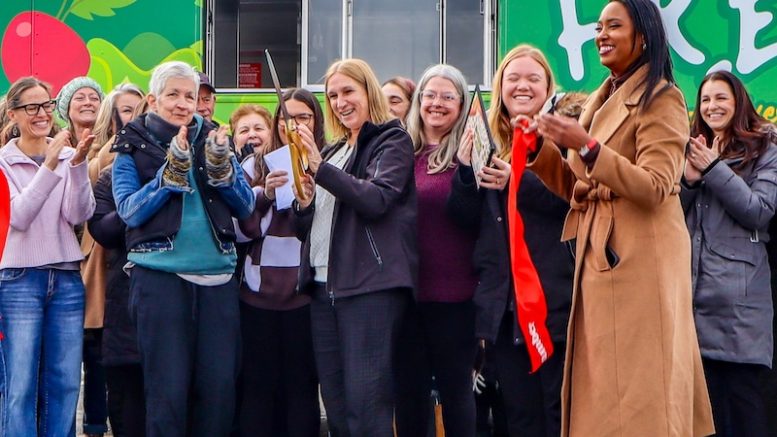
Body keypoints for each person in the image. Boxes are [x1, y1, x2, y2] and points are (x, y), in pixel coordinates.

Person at [519, 0, 715, 435]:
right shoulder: (600, 97)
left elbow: (656, 185)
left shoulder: (662, 97)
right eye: (597, 27)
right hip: (599, 257)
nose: (601, 35)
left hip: (642, 261)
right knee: (605, 391)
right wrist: (539, 151)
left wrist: (587, 146)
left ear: (642, 36)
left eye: (614, 26)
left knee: (643, 391)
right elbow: (578, 189)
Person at [111, 61, 254, 436]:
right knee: (167, 394)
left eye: (189, 96)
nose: (182, 103)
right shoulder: (132, 143)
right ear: (153, 99)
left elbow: (246, 207)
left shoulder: (214, 139)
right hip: (160, 279)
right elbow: (129, 210)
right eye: (173, 95)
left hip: (218, 280)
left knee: (220, 391)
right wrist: (170, 173)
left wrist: (223, 171)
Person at [448, 45, 574, 437]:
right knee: (518, 415)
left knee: (559, 413)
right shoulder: (487, 137)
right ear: (500, 86)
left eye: (532, 78)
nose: (522, 86)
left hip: (554, 302)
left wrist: (518, 181)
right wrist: (466, 173)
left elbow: (576, 196)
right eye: (512, 78)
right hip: (504, 308)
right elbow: (463, 219)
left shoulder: (565, 132)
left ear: (547, 86)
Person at [293, 58, 417, 437]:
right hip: (322, 288)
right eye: (332, 95)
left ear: (369, 91)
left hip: (368, 288)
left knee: (368, 406)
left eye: (348, 91)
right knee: (338, 405)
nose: (340, 102)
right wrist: (304, 200)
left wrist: (321, 170)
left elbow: (377, 200)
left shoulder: (391, 140)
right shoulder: (332, 151)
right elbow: (306, 229)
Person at [681, 70, 777, 437]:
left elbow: (758, 210)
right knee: (705, 419)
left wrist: (712, 167)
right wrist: (688, 179)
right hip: (693, 301)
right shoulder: (696, 148)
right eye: (705, 99)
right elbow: (674, 215)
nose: (711, 106)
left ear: (739, 102)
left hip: (739, 309)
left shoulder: (766, 148)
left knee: (744, 412)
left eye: (721, 98)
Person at [0, 76, 96, 436]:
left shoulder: (68, 155)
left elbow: (78, 214)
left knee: (66, 382)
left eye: (47, 105)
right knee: (19, 384)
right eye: (32, 107)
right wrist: (51, 164)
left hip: (67, 278)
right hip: (18, 280)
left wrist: (78, 166)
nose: (42, 114)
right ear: (14, 115)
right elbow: (19, 217)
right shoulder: (4, 162)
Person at [393, 64, 478, 437]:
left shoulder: (470, 153)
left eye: (447, 96)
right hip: (405, 295)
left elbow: (473, 216)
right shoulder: (400, 152)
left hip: (455, 298)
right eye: (430, 95)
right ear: (418, 101)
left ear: (461, 105)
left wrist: (465, 167)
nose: (437, 103)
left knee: (455, 394)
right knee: (409, 396)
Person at [236, 88, 324, 436]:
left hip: (305, 294)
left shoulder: (326, 162)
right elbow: (240, 231)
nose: (295, 124)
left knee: (302, 387)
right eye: (287, 118)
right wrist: (265, 195)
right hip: (257, 295)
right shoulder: (254, 165)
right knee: (258, 389)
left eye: (304, 117)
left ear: (316, 122)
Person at [56, 76, 104, 146]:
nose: (88, 102)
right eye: (80, 98)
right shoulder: (54, 142)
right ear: (67, 108)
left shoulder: (114, 141)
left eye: (94, 98)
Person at [229, 104, 273, 170]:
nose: (252, 135)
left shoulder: (284, 164)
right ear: (235, 141)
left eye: (258, 128)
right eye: (244, 131)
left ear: (271, 134)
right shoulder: (226, 172)